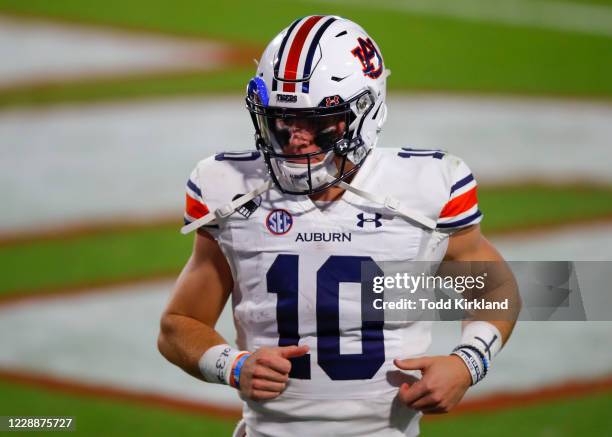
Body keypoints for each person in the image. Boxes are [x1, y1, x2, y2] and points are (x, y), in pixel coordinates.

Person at [158, 15, 520, 437]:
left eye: (316, 122)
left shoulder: (427, 188)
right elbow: (176, 325)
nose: (296, 139)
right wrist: (231, 365)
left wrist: (468, 361)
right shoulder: (228, 189)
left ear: (365, 113)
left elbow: (495, 289)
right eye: (282, 119)